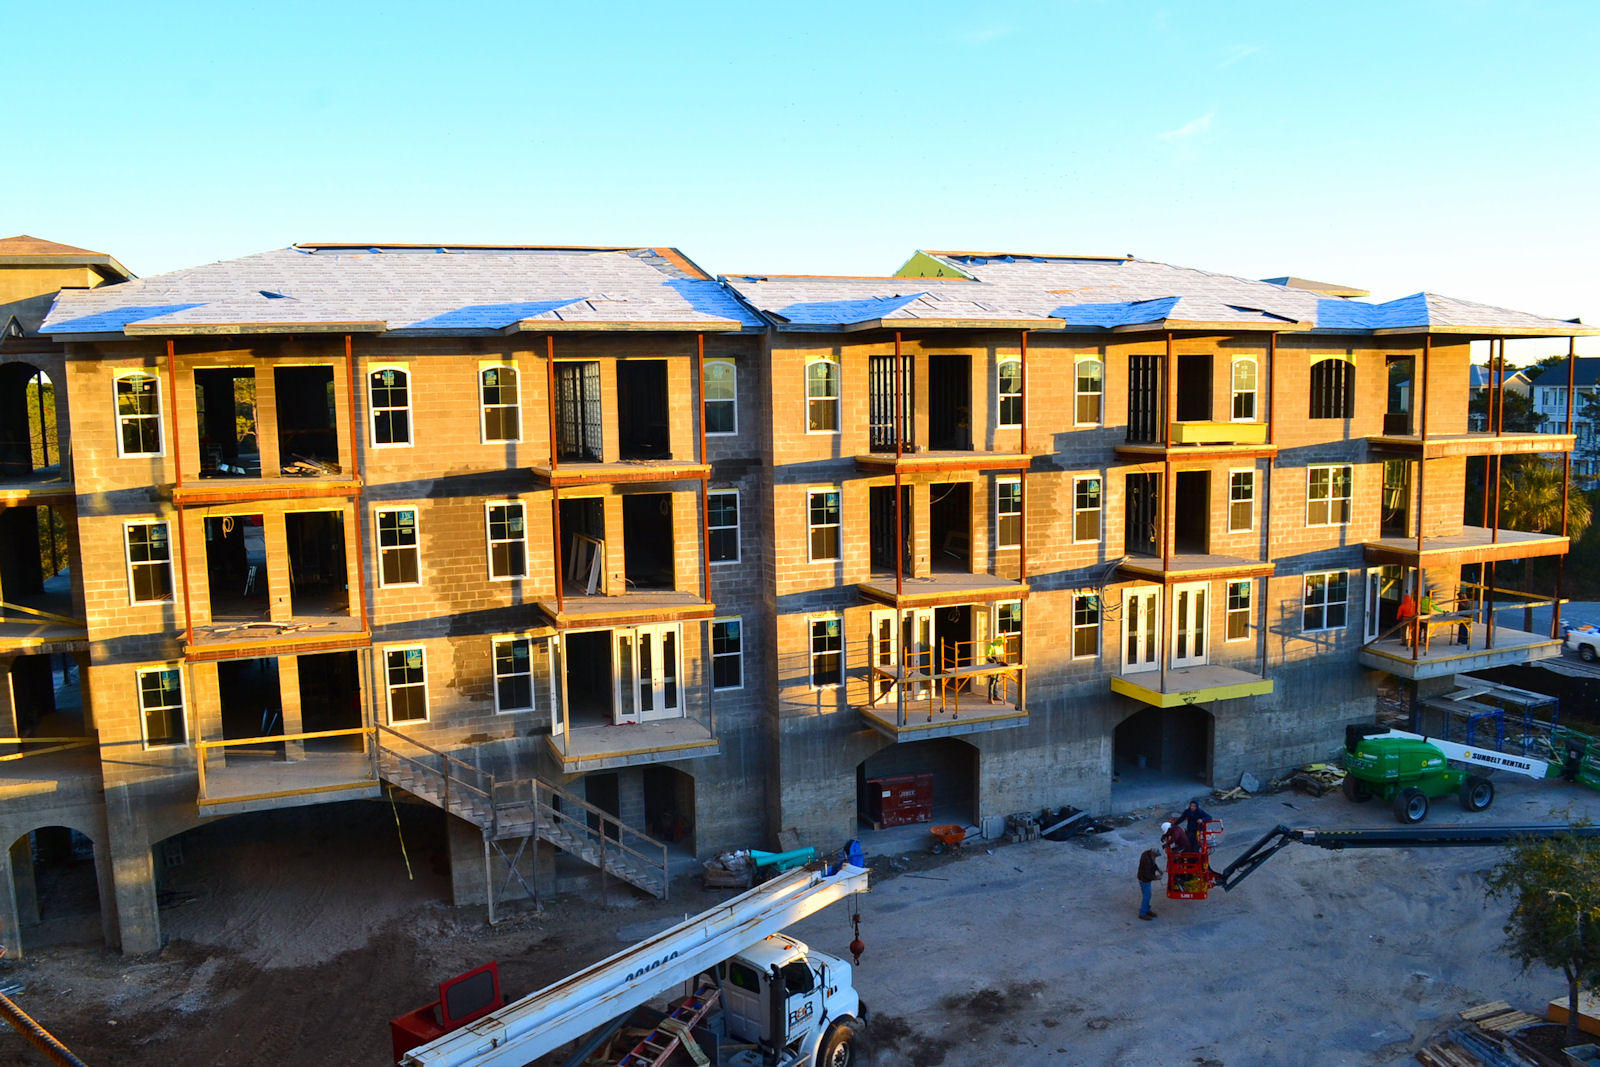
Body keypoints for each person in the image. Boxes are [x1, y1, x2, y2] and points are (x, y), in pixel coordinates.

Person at [1137, 846, 1161, 920]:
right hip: (1144, 880)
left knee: (1147, 895)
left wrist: (1158, 869)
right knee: (1147, 896)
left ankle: (1146, 910)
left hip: (1144, 879)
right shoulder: (1146, 860)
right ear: (1154, 854)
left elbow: (1153, 864)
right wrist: (1156, 877)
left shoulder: (1148, 854)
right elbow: (1147, 874)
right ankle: (1142, 913)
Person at [986, 632, 1007, 703]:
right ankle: (990, 698)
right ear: (999, 642)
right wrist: (993, 661)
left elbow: (1002, 655)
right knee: (992, 682)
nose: (1002, 645)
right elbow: (988, 656)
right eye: (1002, 643)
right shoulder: (991, 646)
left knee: (997, 680)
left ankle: (995, 695)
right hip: (993, 665)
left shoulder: (1000, 646)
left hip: (999, 664)